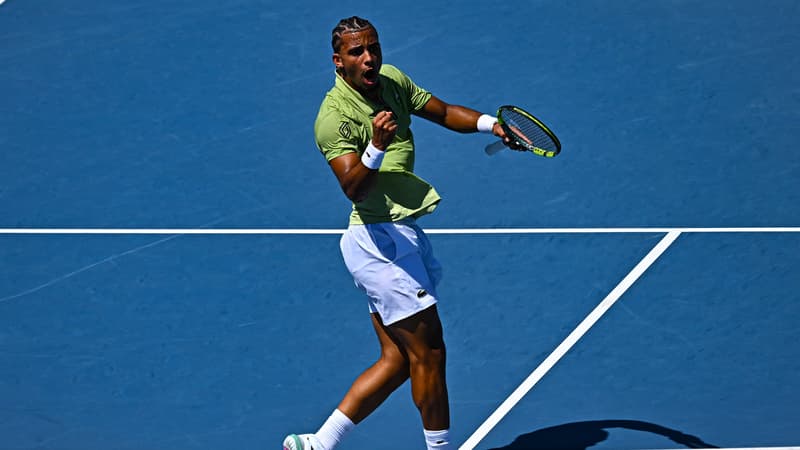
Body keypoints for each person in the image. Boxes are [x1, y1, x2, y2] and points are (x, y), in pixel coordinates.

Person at [283, 16, 516, 450]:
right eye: (356, 52)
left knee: (398, 360)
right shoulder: (333, 118)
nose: (368, 58)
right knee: (431, 352)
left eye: (373, 48)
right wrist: (376, 146)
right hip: (379, 245)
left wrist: (493, 125)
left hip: (398, 234)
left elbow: (443, 112)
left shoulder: (392, 80)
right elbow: (353, 187)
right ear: (338, 61)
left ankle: (319, 443)